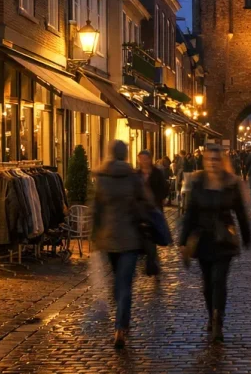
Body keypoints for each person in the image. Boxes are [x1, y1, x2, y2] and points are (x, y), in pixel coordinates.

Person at [179, 146, 251, 343]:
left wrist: (246, 236)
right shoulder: (197, 182)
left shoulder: (231, 183)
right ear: (204, 161)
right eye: (209, 159)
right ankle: (212, 314)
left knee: (219, 280)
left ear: (222, 161)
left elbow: (240, 213)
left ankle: (218, 320)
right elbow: (190, 213)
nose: (212, 162)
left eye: (216, 159)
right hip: (203, 240)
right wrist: (183, 240)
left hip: (224, 240)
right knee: (206, 284)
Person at [91, 140, 152, 348]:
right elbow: (145, 202)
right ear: (126, 154)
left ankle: (120, 322)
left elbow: (96, 209)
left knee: (117, 283)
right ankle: (120, 327)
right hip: (130, 238)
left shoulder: (102, 177)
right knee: (125, 283)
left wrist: (95, 235)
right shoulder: (132, 177)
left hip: (108, 238)